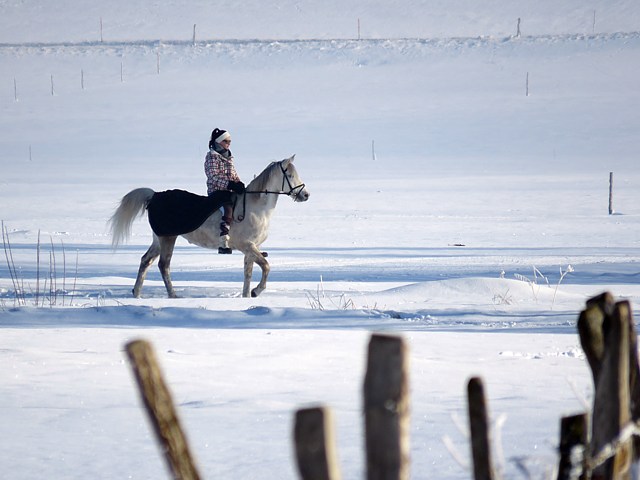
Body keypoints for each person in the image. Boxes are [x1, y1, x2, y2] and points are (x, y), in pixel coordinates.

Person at [204, 128, 245, 254]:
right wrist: (230, 184)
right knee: (228, 209)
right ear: (219, 142)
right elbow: (213, 177)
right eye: (226, 141)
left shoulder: (229, 156)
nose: (229, 143)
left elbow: (233, 173)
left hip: (229, 190)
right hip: (217, 191)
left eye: (230, 141)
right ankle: (223, 242)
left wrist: (238, 183)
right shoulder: (212, 157)